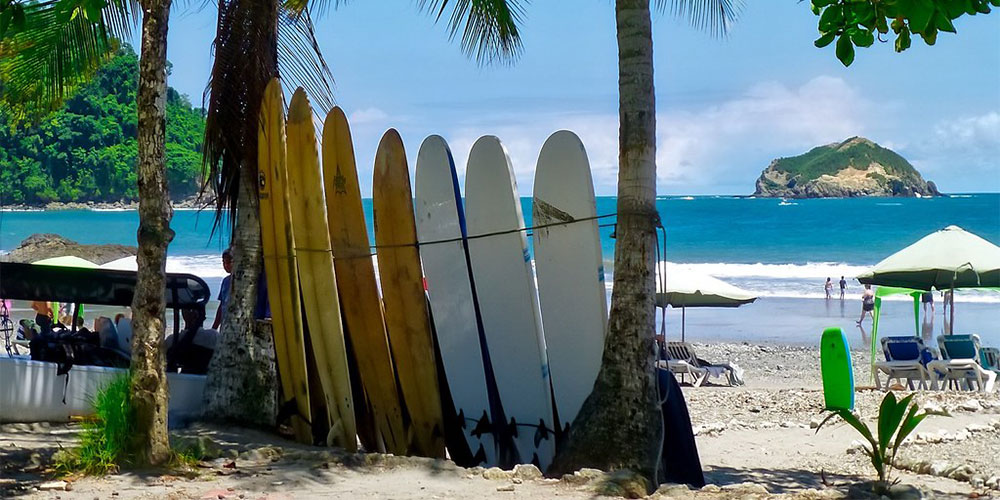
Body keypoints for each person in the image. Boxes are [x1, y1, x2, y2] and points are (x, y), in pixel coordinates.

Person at [212, 248, 233, 330]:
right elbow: (221, 305)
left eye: (228, 262)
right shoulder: (225, 281)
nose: (225, 265)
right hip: (225, 324)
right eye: (223, 262)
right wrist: (214, 328)